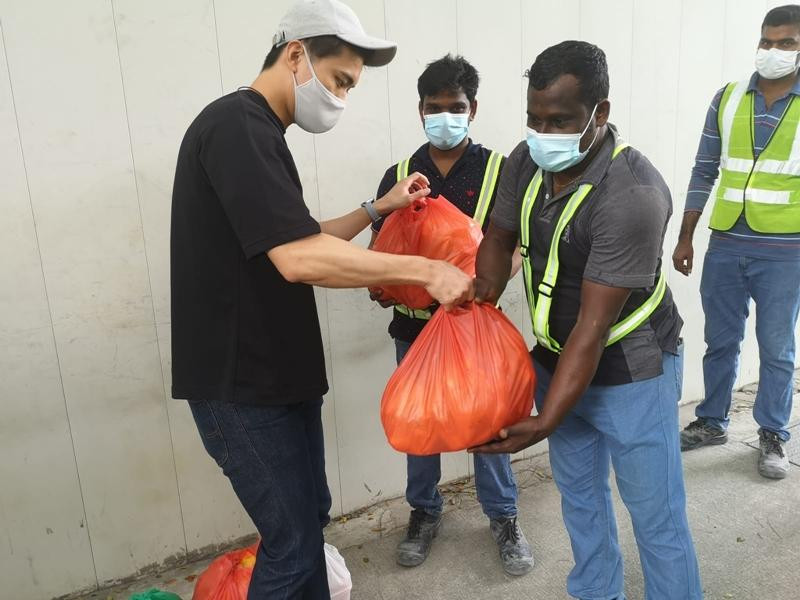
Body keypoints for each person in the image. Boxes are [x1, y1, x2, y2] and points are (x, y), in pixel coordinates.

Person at [169, 0, 473, 597]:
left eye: (350, 87)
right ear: (294, 55)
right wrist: (426, 270)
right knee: (290, 550)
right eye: (339, 81)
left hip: (279, 378)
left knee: (308, 527)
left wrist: (378, 209)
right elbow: (299, 258)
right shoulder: (237, 126)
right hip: (242, 387)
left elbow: (299, 235)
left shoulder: (261, 132)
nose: (341, 98)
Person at [470, 41, 702, 599]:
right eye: (534, 118)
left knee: (655, 516)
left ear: (600, 112)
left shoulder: (632, 194)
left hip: (631, 370)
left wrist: (545, 420)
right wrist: (480, 301)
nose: (542, 133)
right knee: (581, 501)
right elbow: (498, 238)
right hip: (557, 361)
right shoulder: (526, 159)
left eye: (559, 121)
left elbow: (594, 329)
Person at [368, 54, 532, 576]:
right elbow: (379, 249)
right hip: (413, 329)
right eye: (434, 107)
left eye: (455, 107)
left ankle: (504, 516)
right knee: (421, 421)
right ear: (420, 111)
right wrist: (382, 283)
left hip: (474, 325)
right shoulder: (399, 176)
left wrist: (489, 284)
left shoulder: (500, 171)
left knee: (490, 421)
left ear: (473, 109)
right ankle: (424, 512)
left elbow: (517, 246)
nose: (445, 116)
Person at [673, 4, 800, 480]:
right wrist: (686, 236)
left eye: (786, 43)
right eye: (767, 41)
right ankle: (712, 421)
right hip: (725, 242)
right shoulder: (727, 97)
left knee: (777, 348)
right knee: (720, 339)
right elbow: (704, 168)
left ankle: (773, 433)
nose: (772, 50)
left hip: (786, 249)